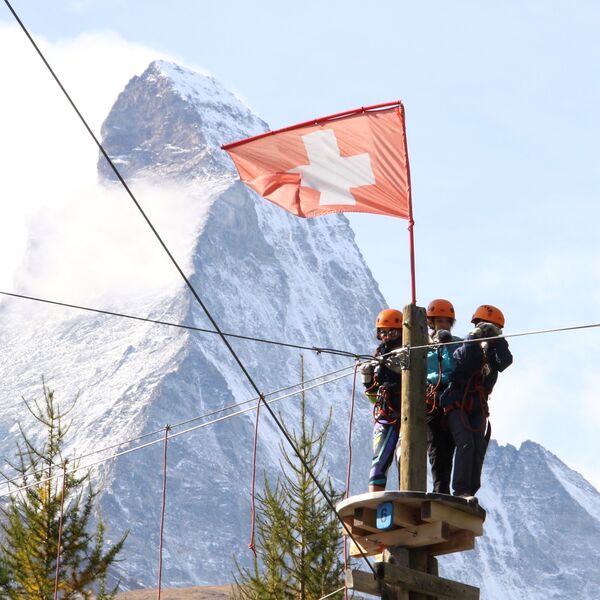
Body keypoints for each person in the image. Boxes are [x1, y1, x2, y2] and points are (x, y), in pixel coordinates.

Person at [440, 304, 513, 501]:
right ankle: (461, 491)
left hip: (477, 404)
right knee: (466, 443)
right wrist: (475, 337)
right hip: (458, 401)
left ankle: (470, 491)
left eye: (490, 326)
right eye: (483, 325)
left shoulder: (494, 353)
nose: (486, 329)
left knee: (478, 446)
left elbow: (505, 362)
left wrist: (498, 339)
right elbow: (462, 359)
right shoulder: (465, 345)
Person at [361, 308, 404, 492]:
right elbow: (373, 395)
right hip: (384, 413)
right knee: (379, 459)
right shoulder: (379, 354)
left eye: (392, 332)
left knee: (404, 459)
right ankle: (374, 495)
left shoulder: (408, 353)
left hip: (405, 414)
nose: (387, 336)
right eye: (383, 333)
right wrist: (368, 379)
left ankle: (406, 493)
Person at [425, 299, 462, 494]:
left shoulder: (458, 343)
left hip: (451, 397)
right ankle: (440, 489)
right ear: (431, 323)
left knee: (450, 445)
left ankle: (444, 489)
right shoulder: (421, 345)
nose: (443, 325)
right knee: (436, 446)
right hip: (430, 397)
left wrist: (448, 344)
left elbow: (461, 365)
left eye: (447, 321)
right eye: (439, 321)